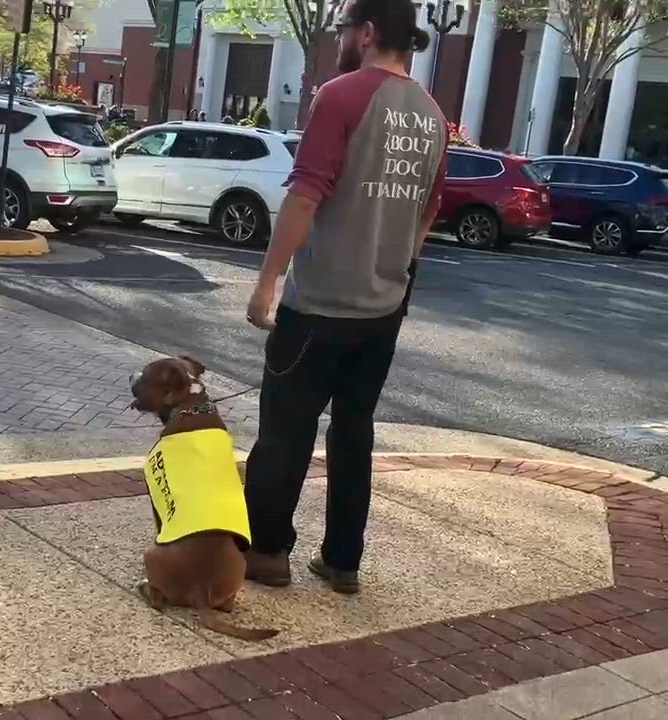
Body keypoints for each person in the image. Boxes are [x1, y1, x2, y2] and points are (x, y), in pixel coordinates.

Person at [241, 0, 447, 595]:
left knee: (286, 429)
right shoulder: (433, 115)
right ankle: (342, 562)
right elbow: (426, 216)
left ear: (368, 32)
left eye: (342, 30)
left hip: (319, 305)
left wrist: (267, 282)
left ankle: (268, 551)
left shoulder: (340, 96)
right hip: (384, 307)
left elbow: (306, 196)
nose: (339, 40)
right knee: (354, 432)